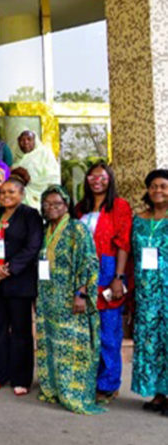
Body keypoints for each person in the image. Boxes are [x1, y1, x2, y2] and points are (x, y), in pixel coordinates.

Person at [35, 185, 103, 414]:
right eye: (47, 204)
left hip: (70, 297)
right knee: (53, 344)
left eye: (57, 204)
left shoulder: (77, 229)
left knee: (73, 345)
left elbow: (88, 262)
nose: (51, 208)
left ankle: (73, 392)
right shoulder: (45, 230)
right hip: (48, 297)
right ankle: (54, 388)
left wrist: (81, 293)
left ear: (66, 206)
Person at [0, 169, 42, 396]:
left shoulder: (30, 215)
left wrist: (6, 270)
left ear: (22, 194)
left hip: (19, 282)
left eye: (11, 192)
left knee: (21, 332)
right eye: (2, 192)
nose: (6, 195)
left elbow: (32, 247)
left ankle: (21, 378)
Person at [73, 161, 131, 404]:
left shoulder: (119, 206)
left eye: (102, 176)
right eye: (91, 177)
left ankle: (108, 384)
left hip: (108, 269)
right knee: (85, 331)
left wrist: (118, 277)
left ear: (110, 179)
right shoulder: (80, 208)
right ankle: (89, 379)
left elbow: (123, 243)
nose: (96, 181)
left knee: (108, 331)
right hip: (82, 271)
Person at [131, 169, 168, 414]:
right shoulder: (139, 218)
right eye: (153, 186)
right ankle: (157, 392)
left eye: (163, 186)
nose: (158, 190)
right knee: (150, 340)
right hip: (146, 291)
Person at [14, 129, 61, 210]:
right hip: (22, 200)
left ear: (35, 141)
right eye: (22, 140)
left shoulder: (44, 153)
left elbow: (54, 177)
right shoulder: (16, 161)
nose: (25, 142)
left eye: (29, 139)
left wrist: (31, 181)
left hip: (41, 198)